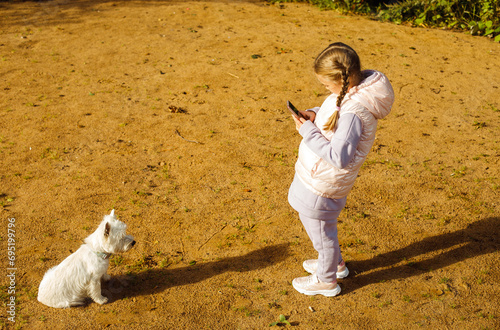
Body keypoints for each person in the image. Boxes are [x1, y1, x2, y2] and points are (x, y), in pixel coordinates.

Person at [288, 42, 394, 297]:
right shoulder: (349, 93)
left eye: (326, 84)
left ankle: (326, 281)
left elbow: (339, 156)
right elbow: (331, 113)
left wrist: (307, 131)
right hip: (317, 178)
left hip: (324, 184)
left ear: (340, 79)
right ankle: (334, 264)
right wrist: (314, 115)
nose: (325, 89)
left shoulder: (353, 113)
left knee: (322, 231)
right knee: (317, 225)